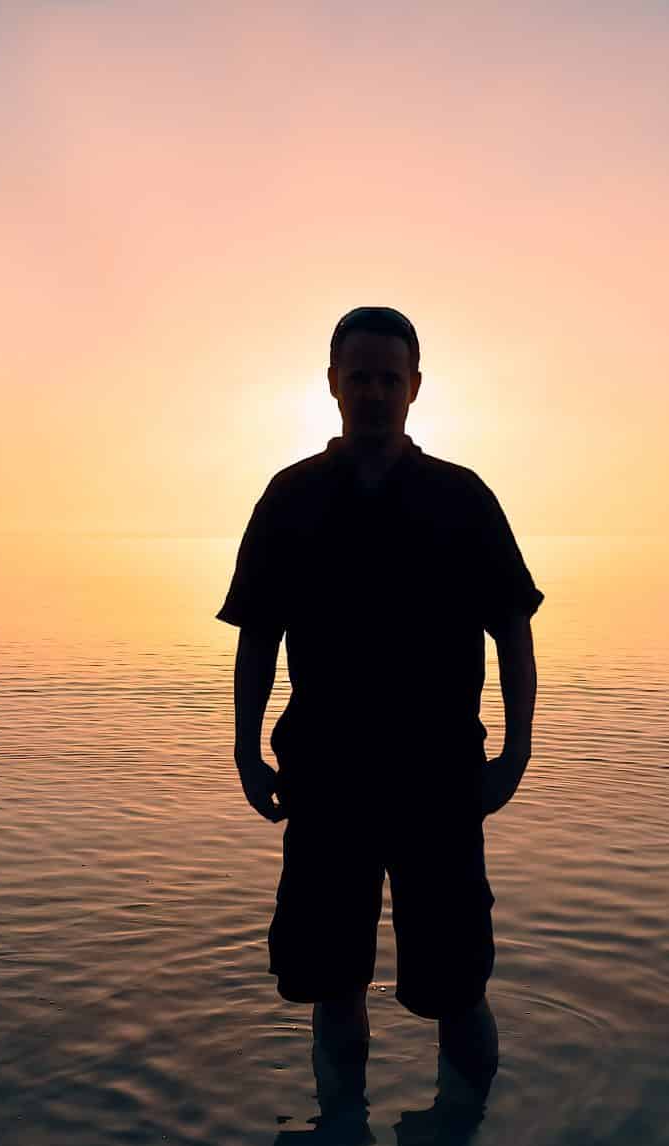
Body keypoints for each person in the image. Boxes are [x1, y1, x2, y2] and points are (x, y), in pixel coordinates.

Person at [216, 306, 542, 1105]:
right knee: (333, 983)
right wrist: (245, 749)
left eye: (388, 378)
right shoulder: (290, 498)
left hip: (439, 781)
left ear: (415, 388)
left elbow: (513, 631)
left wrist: (518, 752)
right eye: (357, 376)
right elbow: (257, 636)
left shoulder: (461, 498)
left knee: (458, 986)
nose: (373, 392)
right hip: (325, 779)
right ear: (331, 384)